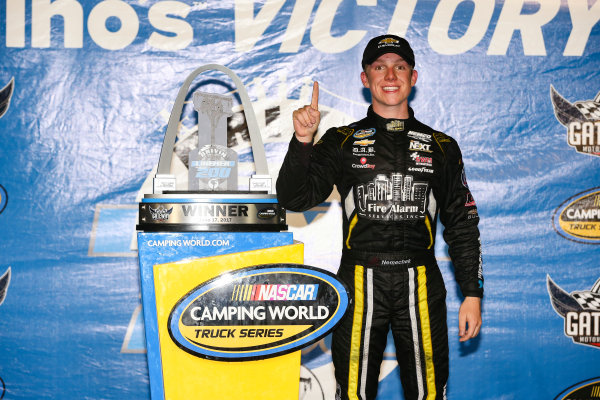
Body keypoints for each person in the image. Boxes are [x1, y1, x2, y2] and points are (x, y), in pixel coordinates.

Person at [276, 35, 483, 400]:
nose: (390, 75)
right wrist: (302, 141)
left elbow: (462, 223)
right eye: (379, 67)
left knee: (430, 393)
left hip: (420, 281)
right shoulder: (342, 140)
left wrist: (472, 292)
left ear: (413, 77)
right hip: (359, 280)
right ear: (365, 78)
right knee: (353, 393)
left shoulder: (442, 146)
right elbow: (293, 199)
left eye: (399, 66)